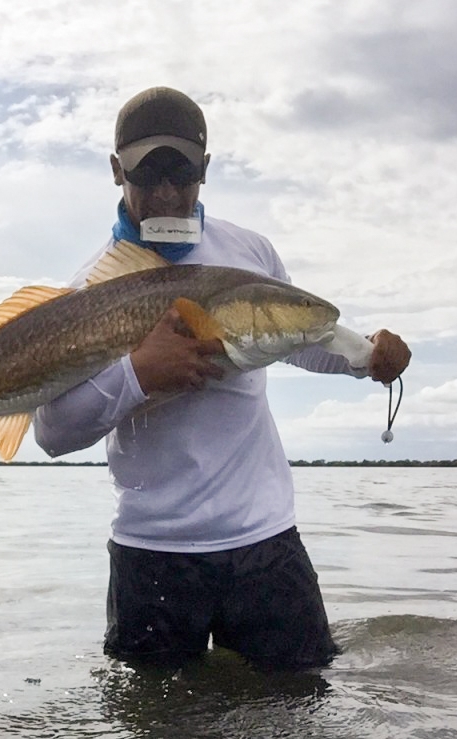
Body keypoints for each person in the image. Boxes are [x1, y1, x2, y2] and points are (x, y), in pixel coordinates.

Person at [34, 86, 411, 670]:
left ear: (205, 170)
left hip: (265, 542)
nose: (164, 195)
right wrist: (139, 374)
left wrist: (367, 357)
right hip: (152, 552)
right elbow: (53, 432)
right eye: (144, 177)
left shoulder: (250, 253)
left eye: (181, 178)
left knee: (296, 726)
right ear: (116, 171)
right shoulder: (87, 291)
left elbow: (299, 339)